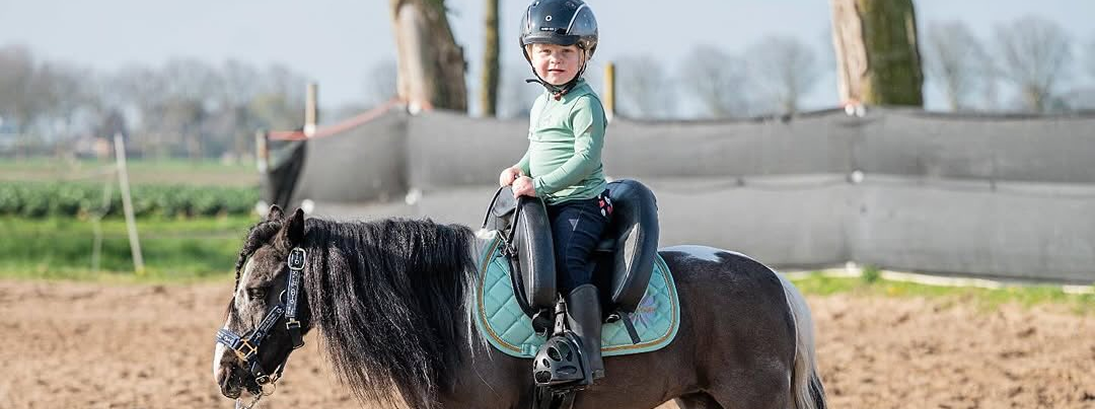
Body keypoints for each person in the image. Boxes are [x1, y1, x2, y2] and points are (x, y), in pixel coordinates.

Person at [497, 0, 609, 387]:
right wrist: (520, 168)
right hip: (545, 201)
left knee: (568, 258)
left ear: (585, 54)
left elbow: (585, 160)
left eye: (566, 51)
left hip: (582, 203)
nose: (555, 60)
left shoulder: (586, 104)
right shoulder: (543, 103)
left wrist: (538, 185)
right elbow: (538, 150)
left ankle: (587, 355)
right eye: (545, 51)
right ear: (530, 55)